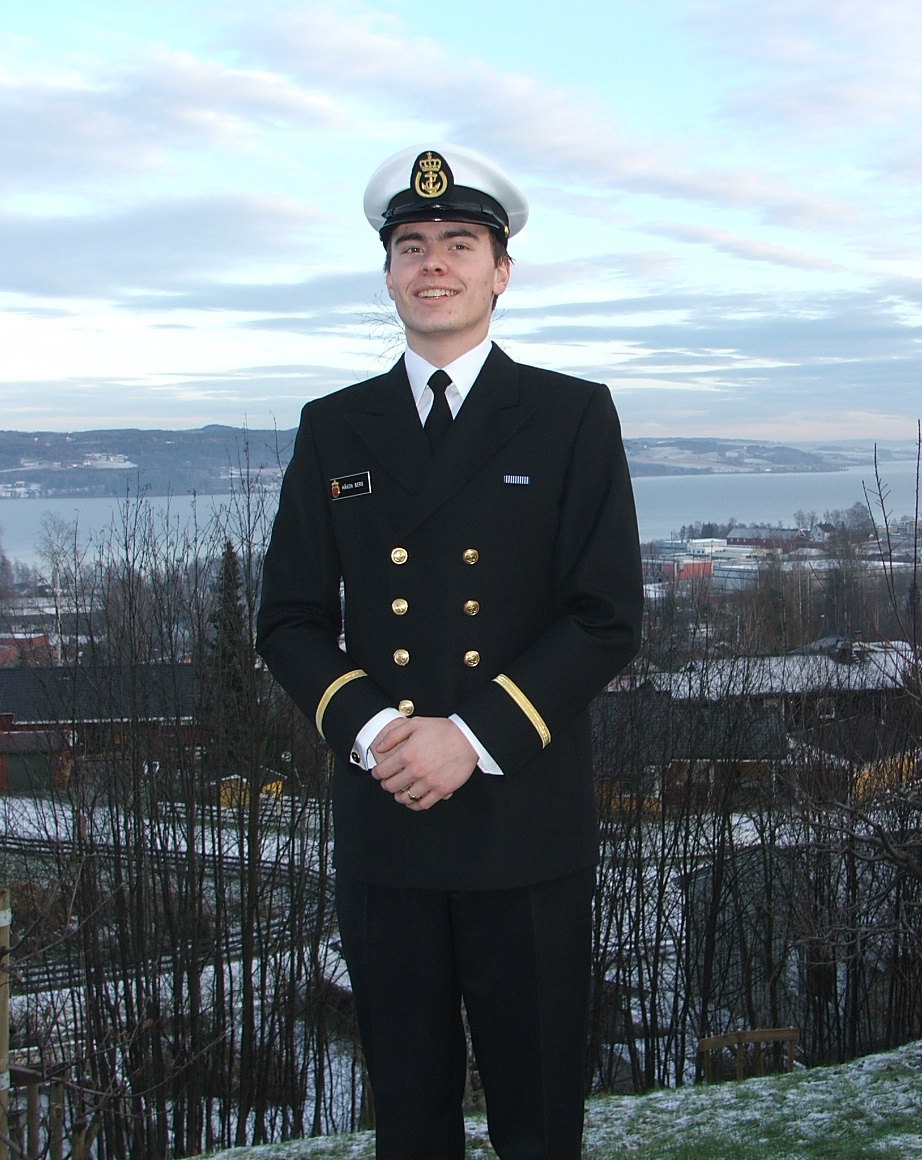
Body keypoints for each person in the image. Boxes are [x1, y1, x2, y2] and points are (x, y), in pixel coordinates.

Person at [256, 145, 644, 1159]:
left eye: (460, 243)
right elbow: (288, 617)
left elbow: (606, 613)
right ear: (388, 274)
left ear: (500, 271)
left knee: (539, 1117)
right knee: (410, 1120)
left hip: (525, 821)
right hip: (388, 815)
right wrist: (381, 734)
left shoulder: (569, 415)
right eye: (413, 245)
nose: (434, 263)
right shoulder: (335, 427)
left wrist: (468, 737)